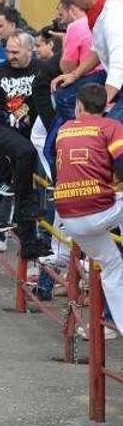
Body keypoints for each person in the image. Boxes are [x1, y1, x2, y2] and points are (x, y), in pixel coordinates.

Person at [0, 32, 50, 260]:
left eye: (16, 52)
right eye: (8, 52)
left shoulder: (41, 70)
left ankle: (28, 242)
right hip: (1, 128)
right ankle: (8, 218)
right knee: (24, 154)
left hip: (29, 132)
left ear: (29, 50)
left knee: (26, 169)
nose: (11, 56)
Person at [55, 83, 123, 337]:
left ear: (78, 106)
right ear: (105, 106)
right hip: (99, 209)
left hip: (69, 217)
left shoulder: (64, 130)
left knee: (112, 264)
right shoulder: (111, 126)